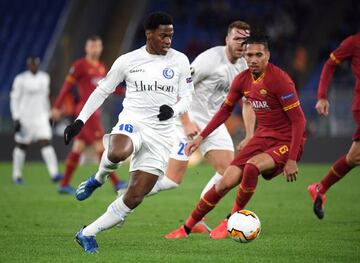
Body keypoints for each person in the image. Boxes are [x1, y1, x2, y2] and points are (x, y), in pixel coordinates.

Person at [63, 12, 194, 253]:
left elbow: (187, 97)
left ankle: (88, 233)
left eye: (171, 36)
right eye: (163, 35)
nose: (168, 40)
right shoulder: (128, 60)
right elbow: (102, 90)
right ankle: (98, 178)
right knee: (118, 152)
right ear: (149, 34)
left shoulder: (180, 61)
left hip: (161, 134)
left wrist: (173, 110)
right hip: (133, 121)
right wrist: (79, 120)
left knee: (135, 196)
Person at [165, 35, 307, 239]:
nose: (253, 59)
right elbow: (224, 111)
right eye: (249, 55)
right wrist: (201, 137)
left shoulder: (280, 80)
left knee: (251, 166)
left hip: (285, 141)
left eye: (259, 54)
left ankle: (231, 220)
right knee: (225, 180)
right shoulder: (242, 79)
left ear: (268, 55)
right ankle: (186, 228)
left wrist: (292, 158)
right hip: (262, 137)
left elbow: (299, 121)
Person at [147, 21, 255, 234]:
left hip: (214, 123)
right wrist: (186, 122)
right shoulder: (209, 60)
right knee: (171, 180)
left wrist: (251, 134)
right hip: (188, 121)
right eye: (237, 38)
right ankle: (131, 192)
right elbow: (180, 87)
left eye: (246, 40)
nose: (242, 44)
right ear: (227, 40)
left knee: (229, 173)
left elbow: (248, 102)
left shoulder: (245, 65)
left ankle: (197, 219)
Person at [52, 36, 126, 194]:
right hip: (85, 114)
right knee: (101, 147)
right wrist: (57, 107)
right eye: (92, 46)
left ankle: (64, 184)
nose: (95, 49)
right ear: (87, 48)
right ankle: (117, 183)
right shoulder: (79, 65)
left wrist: (124, 91)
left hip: (94, 113)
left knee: (78, 148)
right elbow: (67, 86)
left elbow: (108, 87)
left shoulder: (101, 67)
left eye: (97, 46)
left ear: (101, 48)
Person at [308, 32, 360, 219]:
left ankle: (319, 188)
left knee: (354, 157)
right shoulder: (354, 42)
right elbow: (330, 65)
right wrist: (322, 96)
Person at [10, 57, 62, 184]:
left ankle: (54, 173)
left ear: (38, 64)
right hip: (25, 118)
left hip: (41, 117)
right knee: (22, 146)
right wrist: (16, 117)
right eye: (31, 64)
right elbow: (14, 99)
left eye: (35, 64)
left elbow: (45, 98)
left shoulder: (44, 78)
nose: (33, 66)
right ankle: (17, 175)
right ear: (28, 65)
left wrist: (49, 114)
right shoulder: (20, 79)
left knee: (46, 142)